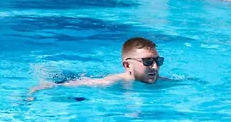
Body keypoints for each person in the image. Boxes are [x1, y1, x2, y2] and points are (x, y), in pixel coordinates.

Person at [28, 37, 165, 98]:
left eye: (158, 61)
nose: (155, 67)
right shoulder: (109, 82)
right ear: (127, 65)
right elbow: (55, 86)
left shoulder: (164, 82)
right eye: (147, 61)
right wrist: (31, 93)